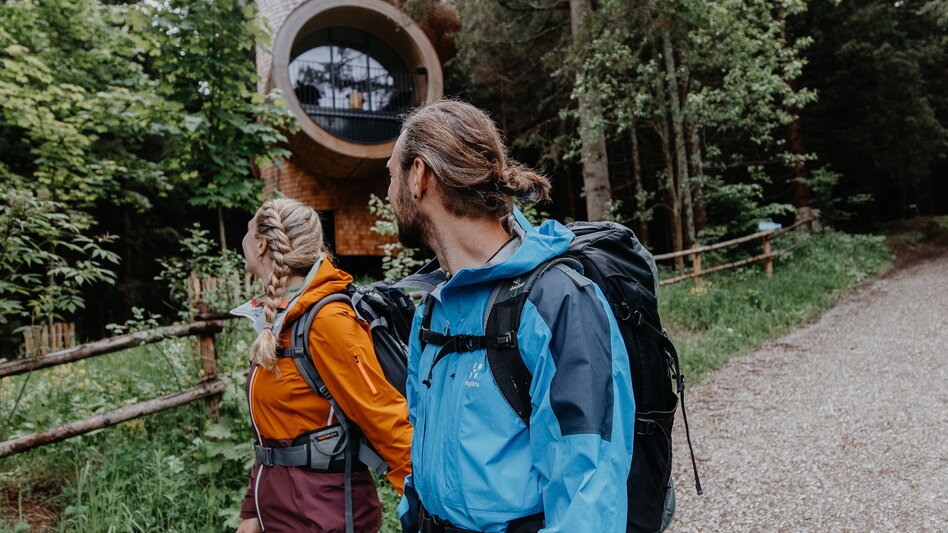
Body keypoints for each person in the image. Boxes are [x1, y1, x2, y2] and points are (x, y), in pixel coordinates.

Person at [388, 100, 636, 532]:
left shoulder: (557, 302)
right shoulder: (432, 308)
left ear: (419, 175)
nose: (388, 194)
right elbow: (423, 444)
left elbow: (589, 496)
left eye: (391, 175)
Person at [232, 198, 413, 533]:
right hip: (281, 512)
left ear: (260, 245)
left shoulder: (327, 321)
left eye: (247, 230)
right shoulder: (281, 318)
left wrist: (430, 510)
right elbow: (275, 432)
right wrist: (252, 510)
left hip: (325, 516)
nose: (242, 238)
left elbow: (385, 419)